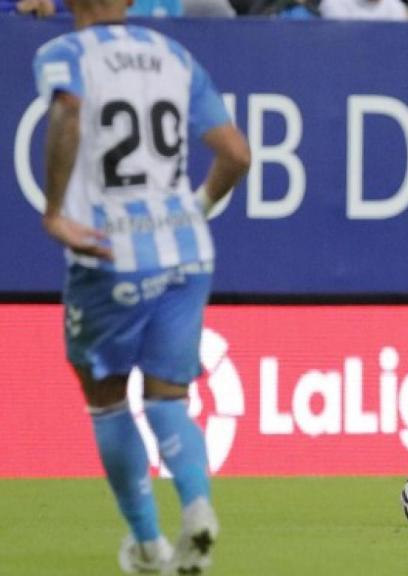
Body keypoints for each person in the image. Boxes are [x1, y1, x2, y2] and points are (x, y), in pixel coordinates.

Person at [33, 0, 250, 572]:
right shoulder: (173, 55)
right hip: (186, 253)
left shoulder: (64, 52)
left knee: (105, 398)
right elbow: (236, 153)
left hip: (111, 251)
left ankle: (150, 544)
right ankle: (199, 508)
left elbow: (68, 112)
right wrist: (196, 207)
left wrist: (55, 212)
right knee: (167, 400)